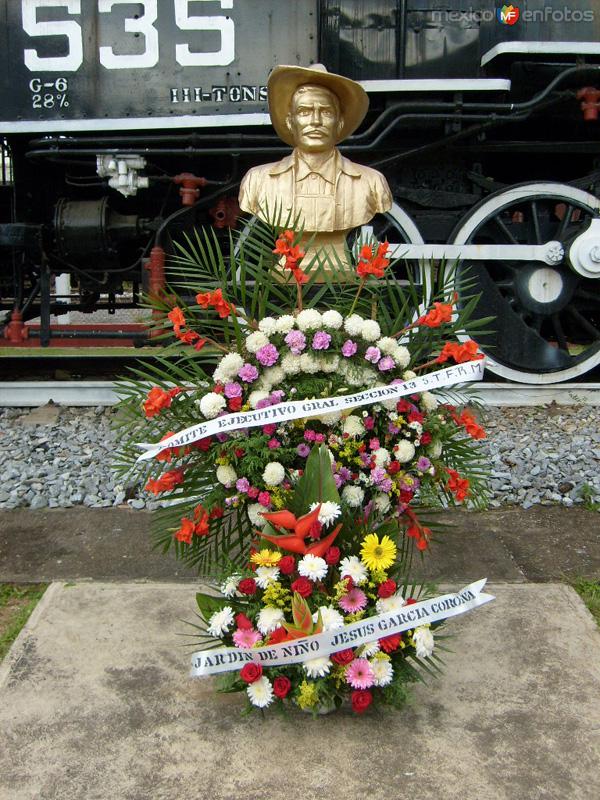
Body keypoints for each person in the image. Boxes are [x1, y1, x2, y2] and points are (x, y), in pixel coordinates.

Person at [239, 63, 392, 270]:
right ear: (291, 122)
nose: (316, 121)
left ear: (339, 123)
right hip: (288, 273)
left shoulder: (372, 182)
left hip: (340, 268)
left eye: (326, 112)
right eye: (304, 112)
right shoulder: (257, 180)